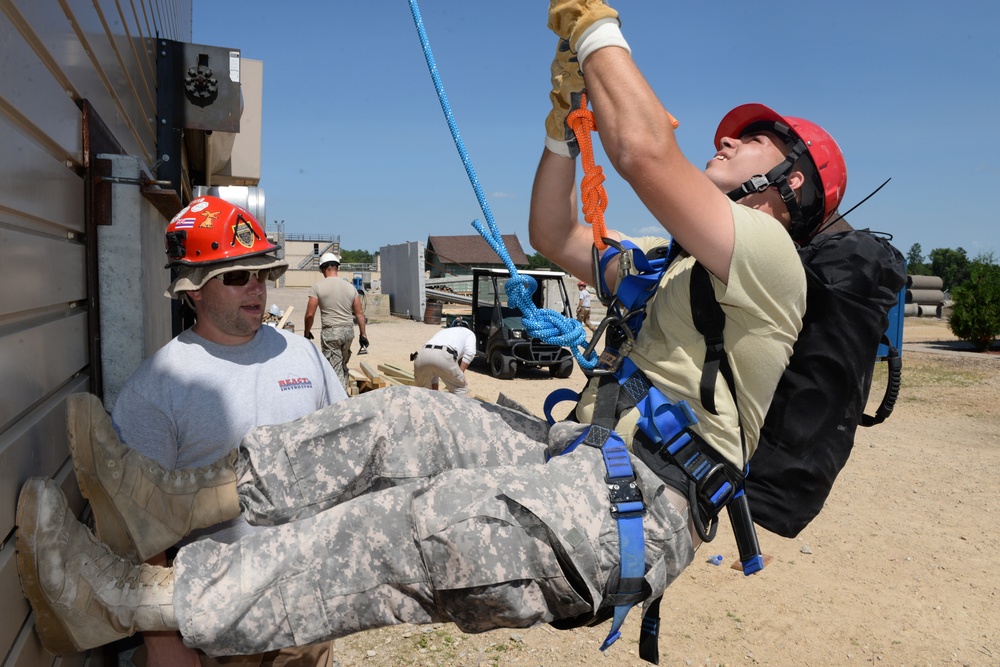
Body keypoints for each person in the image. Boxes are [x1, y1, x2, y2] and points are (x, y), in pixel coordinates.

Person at [15, 2, 847, 661]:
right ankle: (173, 501)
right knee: (407, 418)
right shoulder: (679, 268)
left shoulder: (771, 258)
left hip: (642, 504)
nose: (728, 138)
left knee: (414, 526)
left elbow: (640, 146)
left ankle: (128, 602)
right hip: (589, 460)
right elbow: (553, 234)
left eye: (755, 140)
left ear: (790, 184)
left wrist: (597, 25)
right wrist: (564, 122)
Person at [77, 196, 345, 666]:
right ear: (195, 289)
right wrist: (163, 643)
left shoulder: (304, 356)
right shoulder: (156, 389)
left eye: (261, 273)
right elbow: (136, 531)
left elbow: (344, 452)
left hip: (308, 614)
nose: (256, 289)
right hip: (219, 633)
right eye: (238, 277)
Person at [303, 252, 368, 390]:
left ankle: (338, 402)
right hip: (348, 332)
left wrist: (307, 332)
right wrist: (363, 335)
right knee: (342, 366)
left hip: (331, 333)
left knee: (333, 369)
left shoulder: (317, 287)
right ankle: (343, 395)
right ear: (337, 268)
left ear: (323, 269)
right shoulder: (350, 287)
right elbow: (360, 313)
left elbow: (310, 314)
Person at [411, 317, 478, 394]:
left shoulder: (443, 331)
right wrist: (461, 373)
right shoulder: (469, 333)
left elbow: (434, 364)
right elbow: (470, 353)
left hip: (422, 355)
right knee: (460, 389)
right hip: (444, 354)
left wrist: (435, 394)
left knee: (422, 393)